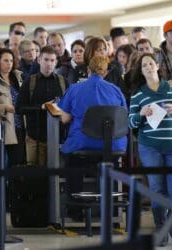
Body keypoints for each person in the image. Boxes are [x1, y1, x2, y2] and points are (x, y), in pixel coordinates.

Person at [128, 53, 172, 246]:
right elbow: (131, 123)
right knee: (157, 189)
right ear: (141, 70)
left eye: (150, 63)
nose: (148, 67)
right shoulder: (138, 94)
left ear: (157, 65)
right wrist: (140, 114)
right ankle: (161, 228)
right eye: (143, 65)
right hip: (150, 147)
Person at [59, 56, 127, 217]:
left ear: (88, 70)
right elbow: (123, 116)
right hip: (112, 145)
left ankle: (76, 210)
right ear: (105, 72)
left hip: (83, 144)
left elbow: (65, 118)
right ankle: (109, 210)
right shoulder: (116, 90)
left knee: (73, 164)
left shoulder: (75, 89)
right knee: (108, 164)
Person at [17, 45, 68, 167]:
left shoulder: (62, 81)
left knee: (55, 174)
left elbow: (70, 107)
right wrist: (41, 107)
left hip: (57, 137)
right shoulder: (30, 81)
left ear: (56, 62)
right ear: (39, 60)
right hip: (34, 136)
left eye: (52, 60)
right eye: (46, 60)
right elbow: (19, 108)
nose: (49, 64)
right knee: (34, 175)